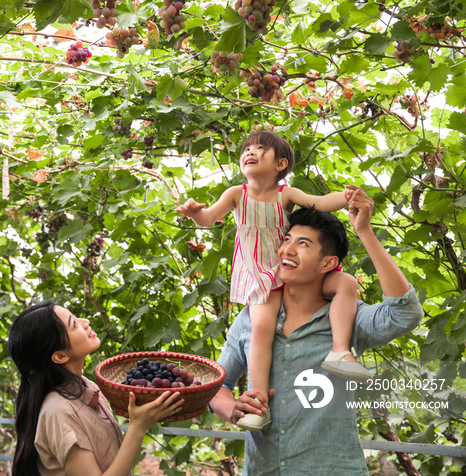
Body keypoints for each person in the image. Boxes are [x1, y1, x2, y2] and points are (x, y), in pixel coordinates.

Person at [209, 187, 424, 475]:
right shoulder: (251, 318)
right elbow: (215, 386)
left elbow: (405, 314)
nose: (287, 249)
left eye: (303, 244)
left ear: (328, 263)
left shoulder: (348, 318)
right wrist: (233, 409)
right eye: (287, 239)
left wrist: (365, 232)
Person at [176, 130, 371, 431]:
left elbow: (318, 202)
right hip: (258, 273)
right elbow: (209, 218)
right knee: (262, 328)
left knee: (345, 282)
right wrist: (194, 214)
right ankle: (258, 402)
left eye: (260, 149)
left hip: (288, 268)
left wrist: (346, 198)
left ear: (281, 163)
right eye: (247, 149)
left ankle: (339, 351)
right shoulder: (236, 194)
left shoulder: (286, 195)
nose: (250, 152)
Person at [8, 302, 184, 476]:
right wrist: (138, 427)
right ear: (60, 356)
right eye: (74, 324)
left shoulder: (87, 387)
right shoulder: (59, 411)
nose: (85, 322)